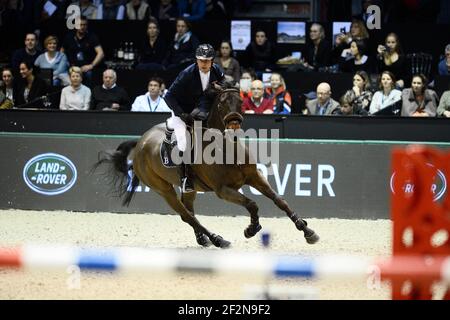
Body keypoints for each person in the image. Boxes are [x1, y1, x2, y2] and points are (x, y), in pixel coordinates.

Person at [163, 43, 225, 192]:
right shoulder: (187, 74)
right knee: (184, 143)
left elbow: (222, 86)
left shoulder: (217, 71)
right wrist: (181, 114)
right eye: (201, 60)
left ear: (212, 61)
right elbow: (169, 96)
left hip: (201, 108)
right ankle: (186, 178)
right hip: (182, 109)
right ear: (196, 60)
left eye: (207, 60)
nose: (204, 63)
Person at [61, 16, 104, 85]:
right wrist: (66, 65)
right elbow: (62, 52)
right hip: (72, 67)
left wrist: (91, 65)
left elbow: (101, 53)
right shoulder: (69, 37)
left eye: (84, 25)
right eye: (80, 25)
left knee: (89, 74)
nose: (82, 27)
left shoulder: (92, 37)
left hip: (86, 67)